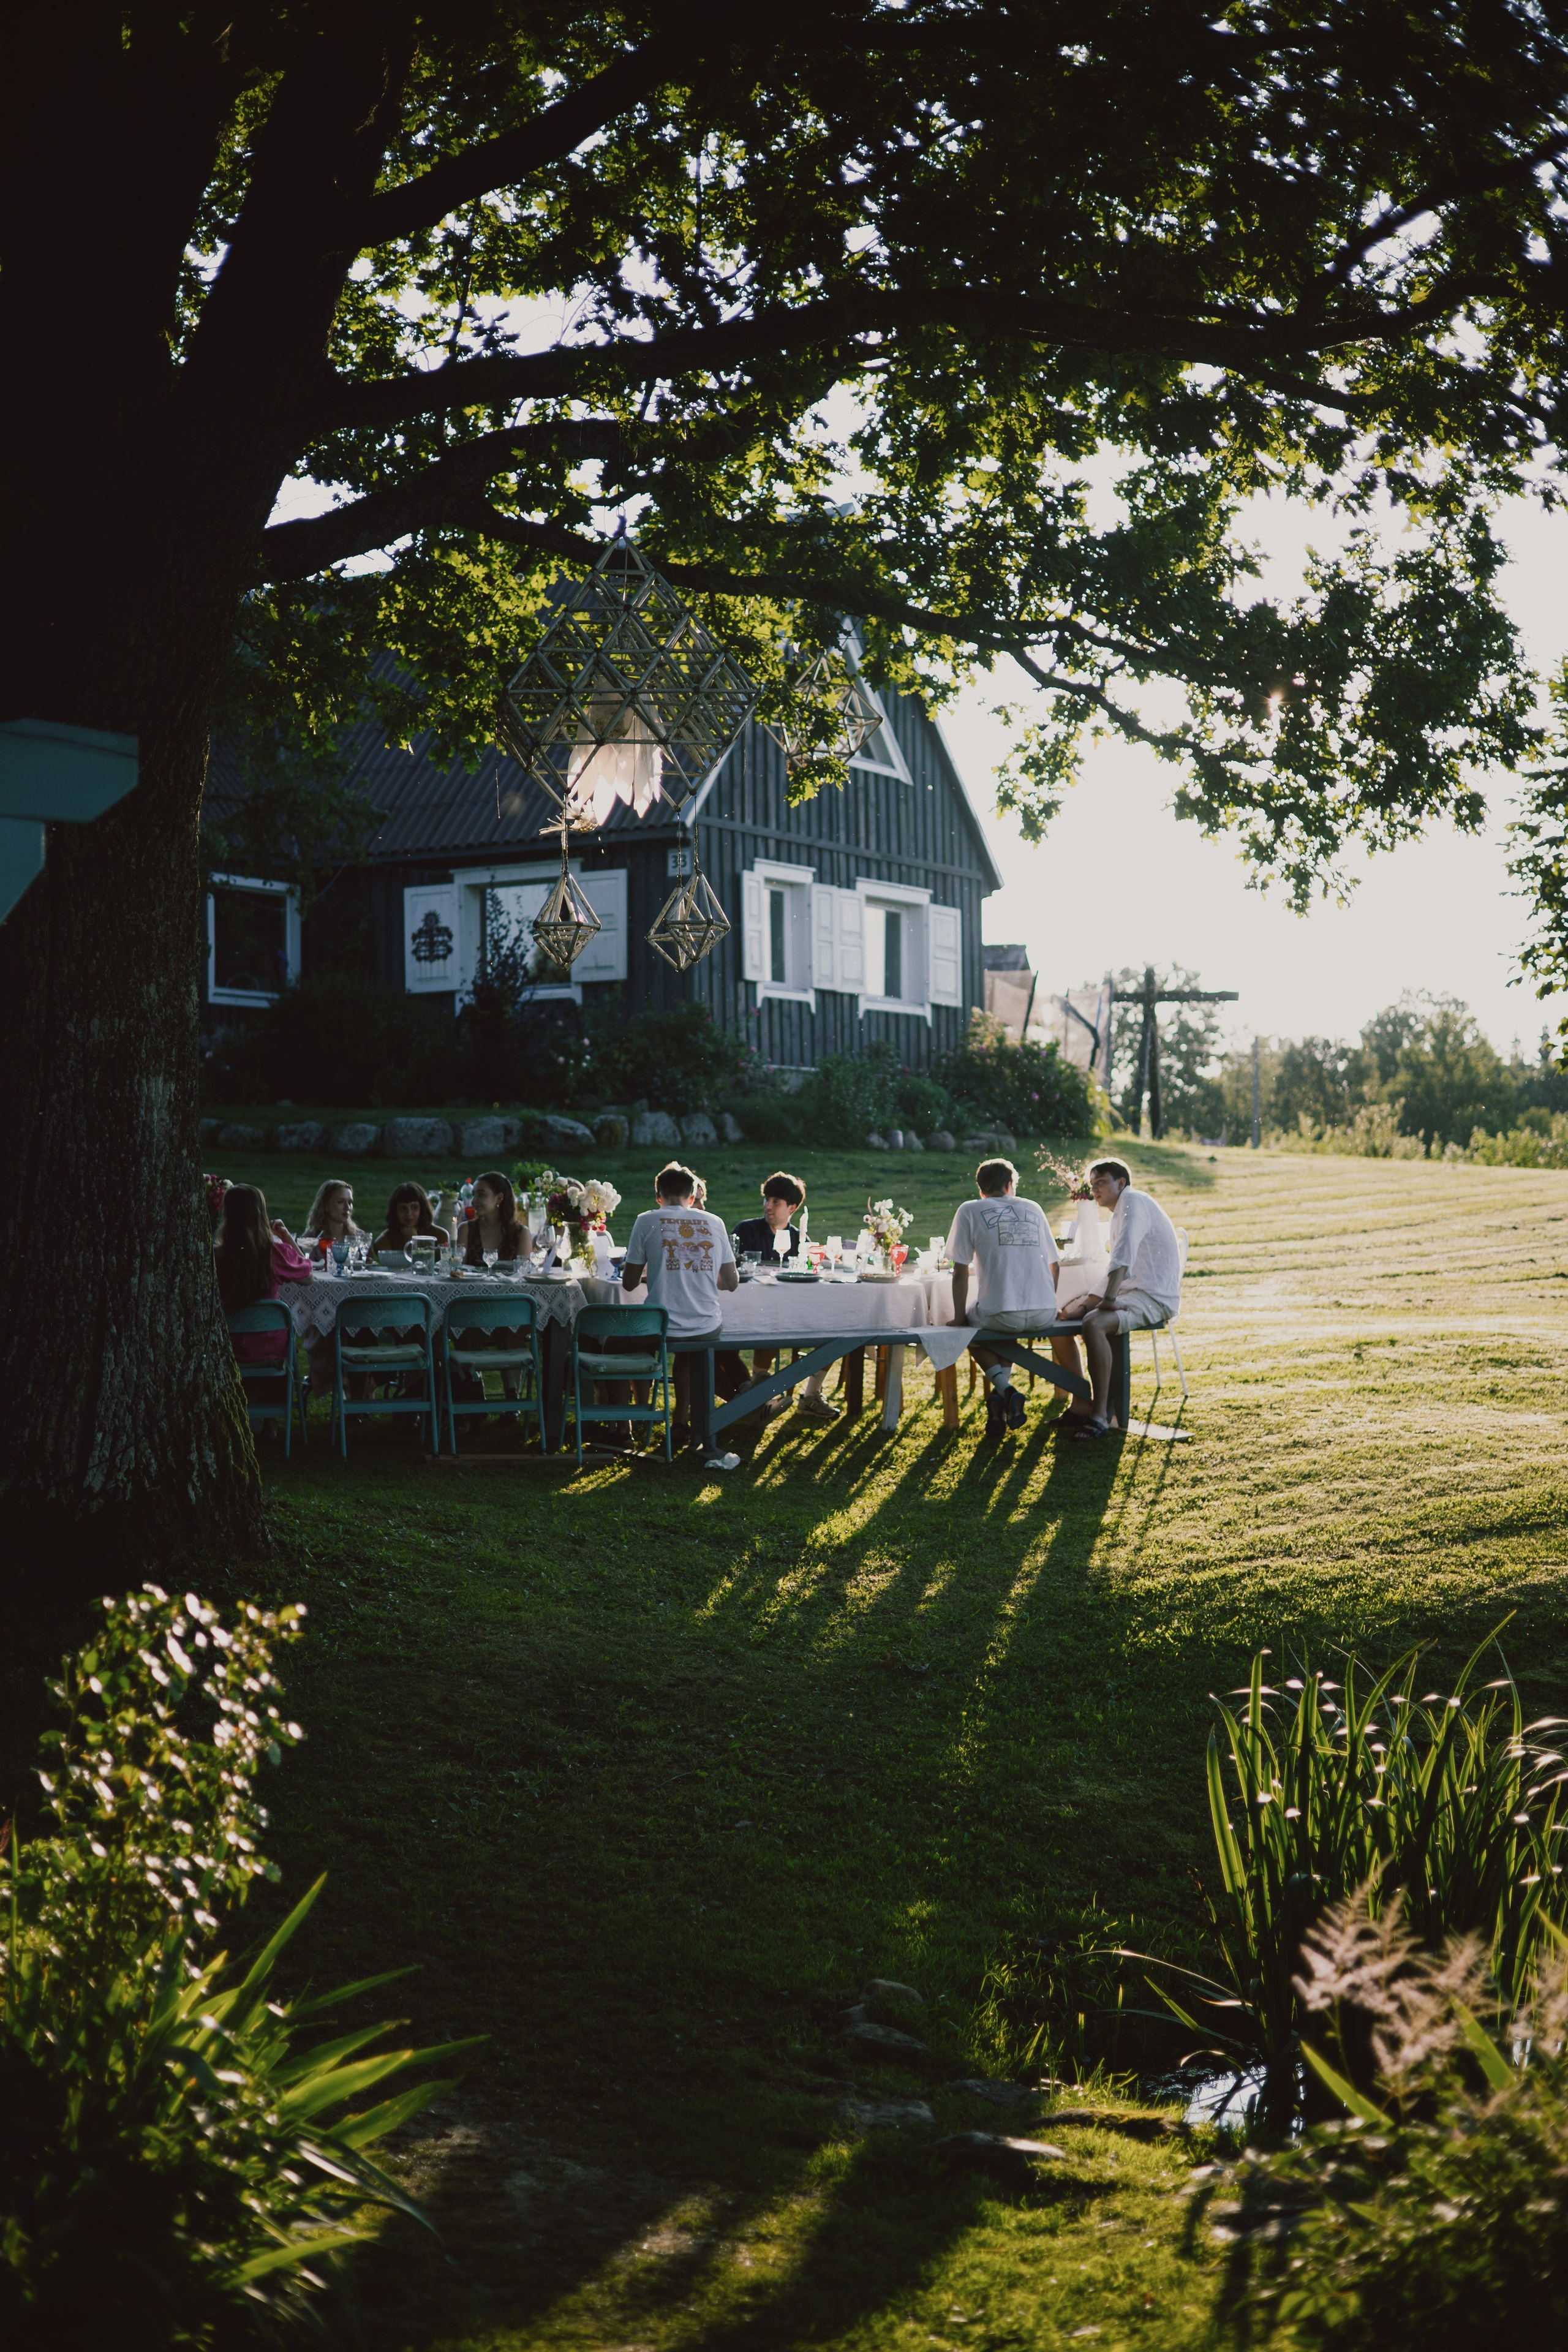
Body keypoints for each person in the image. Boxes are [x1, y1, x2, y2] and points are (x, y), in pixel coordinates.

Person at [620, 1161, 741, 1470]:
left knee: (617, 1344)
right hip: (706, 1325)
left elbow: (629, 1282)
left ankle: (627, 1424)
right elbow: (731, 1282)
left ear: (658, 1196)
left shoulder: (646, 1220)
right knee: (691, 1352)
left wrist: (658, 1271)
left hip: (661, 1329)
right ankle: (685, 1424)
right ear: (692, 1195)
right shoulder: (714, 1222)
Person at [1052, 1157, 1183, 1439]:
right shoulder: (1121, 1209)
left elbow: (1123, 1255)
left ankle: (1099, 1415)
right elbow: (1113, 1266)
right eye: (1092, 1184)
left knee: (1095, 1324)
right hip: (1136, 1291)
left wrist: (1108, 1300)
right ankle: (1082, 1404)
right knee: (1070, 1314)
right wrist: (1085, 1304)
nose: (1095, 1189)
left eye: (1101, 1183)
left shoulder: (1133, 1202)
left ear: (1121, 1183)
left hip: (1154, 1296)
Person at [945, 1157, 1062, 1439]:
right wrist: (1048, 1302)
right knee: (1003, 1323)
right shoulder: (1033, 1207)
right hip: (1045, 1312)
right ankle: (1001, 1400)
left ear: (981, 1190)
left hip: (1000, 1315)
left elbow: (960, 1272)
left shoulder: (970, 1210)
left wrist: (959, 1317)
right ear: (1010, 1186)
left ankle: (1007, 1390)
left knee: (970, 1331)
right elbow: (1055, 1265)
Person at [727, 1171, 838, 1426]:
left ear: (793, 1207)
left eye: (776, 1202)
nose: (768, 1206)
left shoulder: (801, 1239)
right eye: (767, 1199)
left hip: (793, 1310)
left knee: (835, 1329)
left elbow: (813, 1271)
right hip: (749, 1309)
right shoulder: (746, 1230)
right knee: (770, 1325)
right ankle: (759, 1392)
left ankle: (810, 1397)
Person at [213, 1183, 312, 1413]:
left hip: (229, 1346)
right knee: (280, 1341)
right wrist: (287, 1238)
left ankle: (252, 1408)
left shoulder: (215, 1256)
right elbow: (308, 1276)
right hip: (270, 1347)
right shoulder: (274, 1253)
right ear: (261, 1215)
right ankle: (270, 1417)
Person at [372, 1181, 450, 1257]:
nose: (409, 1213)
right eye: (403, 1208)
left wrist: (415, 1240)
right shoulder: (384, 1241)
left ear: (422, 1209)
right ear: (395, 1211)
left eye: (414, 1207)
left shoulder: (440, 1235)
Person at [301, 1178, 366, 1257]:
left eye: (350, 1202)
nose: (347, 1207)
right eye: (340, 1202)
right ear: (325, 1206)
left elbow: (369, 1265)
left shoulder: (359, 1237)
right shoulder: (310, 1240)